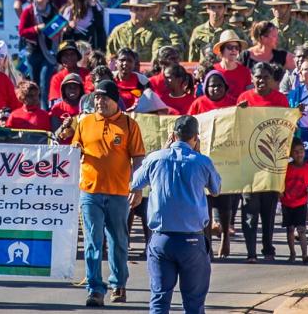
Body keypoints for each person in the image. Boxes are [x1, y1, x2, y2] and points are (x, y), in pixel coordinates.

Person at [60, 81, 146, 307]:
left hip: (119, 193)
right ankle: (95, 289)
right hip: (90, 191)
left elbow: (138, 159)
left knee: (118, 240)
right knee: (92, 241)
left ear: (115, 99)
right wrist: (66, 131)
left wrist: (137, 187)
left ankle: (118, 284)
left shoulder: (129, 124)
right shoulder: (85, 122)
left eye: (104, 97)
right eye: (96, 97)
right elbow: (74, 150)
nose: (99, 101)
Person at [131, 114, 220, 314]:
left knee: (159, 299)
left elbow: (135, 182)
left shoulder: (155, 158)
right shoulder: (202, 162)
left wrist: (163, 151)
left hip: (161, 239)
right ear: (195, 137)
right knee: (194, 303)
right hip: (192, 241)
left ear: (172, 135)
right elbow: (216, 189)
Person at [281, 138, 308, 263]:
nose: (299, 154)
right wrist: (280, 194)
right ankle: (292, 254)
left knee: (301, 230)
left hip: (301, 203)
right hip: (287, 203)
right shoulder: (286, 168)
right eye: (295, 151)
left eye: (301, 150)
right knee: (290, 230)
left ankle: (304, 254)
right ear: (290, 153)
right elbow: (280, 184)